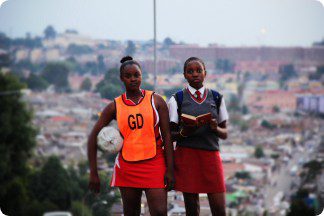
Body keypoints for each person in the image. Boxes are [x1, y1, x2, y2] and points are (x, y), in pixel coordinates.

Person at [88, 56, 174, 216]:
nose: (133, 79)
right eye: (128, 76)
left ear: (142, 76)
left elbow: (167, 136)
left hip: (155, 163)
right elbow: (93, 137)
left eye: (137, 75)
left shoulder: (156, 101)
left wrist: (170, 169)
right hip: (128, 166)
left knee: (160, 212)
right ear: (122, 78)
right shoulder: (114, 106)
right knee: (131, 213)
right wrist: (94, 172)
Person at [168, 57, 228, 216]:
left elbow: (225, 133)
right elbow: (169, 135)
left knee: (219, 209)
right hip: (187, 156)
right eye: (190, 71)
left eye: (198, 70)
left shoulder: (216, 97)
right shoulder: (177, 99)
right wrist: (183, 132)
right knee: (192, 209)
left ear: (205, 73)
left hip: (211, 155)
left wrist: (215, 128)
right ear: (184, 75)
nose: (195, 74)